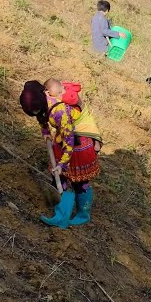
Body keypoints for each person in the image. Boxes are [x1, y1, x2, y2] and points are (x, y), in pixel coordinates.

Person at [27, 79, 100, 228]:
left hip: (78, 144)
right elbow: (41, 115)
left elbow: (70, 141)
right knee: (59, 177)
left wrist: (62, 163)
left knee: (80, 182)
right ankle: (61, 215)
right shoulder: (42, 100)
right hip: (64, 141)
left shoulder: (60, 111)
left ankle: (82, 215)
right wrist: (45, 131)